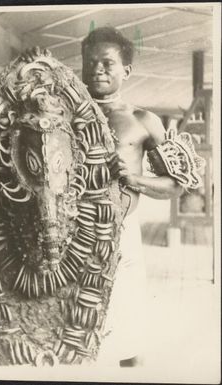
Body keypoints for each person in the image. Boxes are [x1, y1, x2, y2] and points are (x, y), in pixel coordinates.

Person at [81, 26, 203, 367]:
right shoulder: (60, 115)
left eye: (106, 63)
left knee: (128, 339)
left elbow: (177, 184)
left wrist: (134, 177)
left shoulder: (142, 120)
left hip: (121, 233)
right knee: (73, 331)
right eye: (90, 62)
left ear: (126, 71)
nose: (97, 69)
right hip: (68, 235)